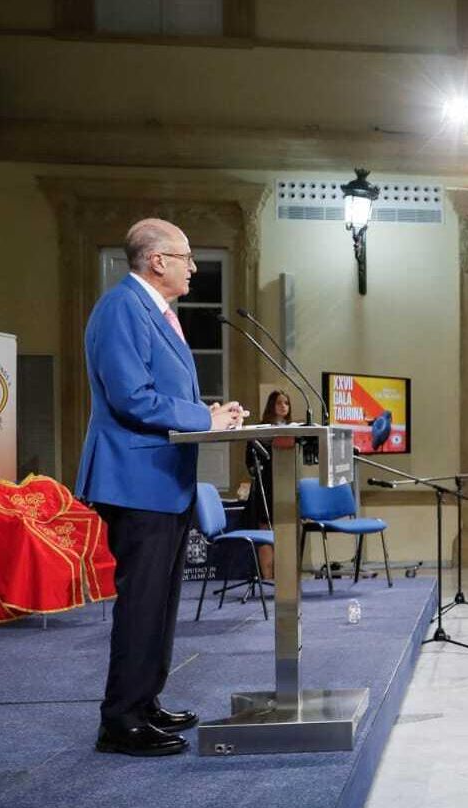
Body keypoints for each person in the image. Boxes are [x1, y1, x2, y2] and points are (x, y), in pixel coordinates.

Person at [77, 218, 244, 757]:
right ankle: (119, 719)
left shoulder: (156, 312)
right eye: (186, 257)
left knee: (163, 601)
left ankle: (145, 701)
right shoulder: (123, 307)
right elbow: (131, 397)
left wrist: (211, 414)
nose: (193, 267)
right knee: (142, 601)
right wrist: (205, 418)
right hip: (134, 479)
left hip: (162, 480)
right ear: (157, 261)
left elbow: (157, 395)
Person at [244, 389, 293, 577]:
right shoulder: (260, 430)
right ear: (271, 405)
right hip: (265, 488)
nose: (283, 406)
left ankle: (285, 579)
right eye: (279, 402)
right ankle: (267, 578)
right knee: (266, 534)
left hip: (286, 487)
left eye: (286, 403)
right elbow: (250, 462)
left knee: (285, 534)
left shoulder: (293, 430)